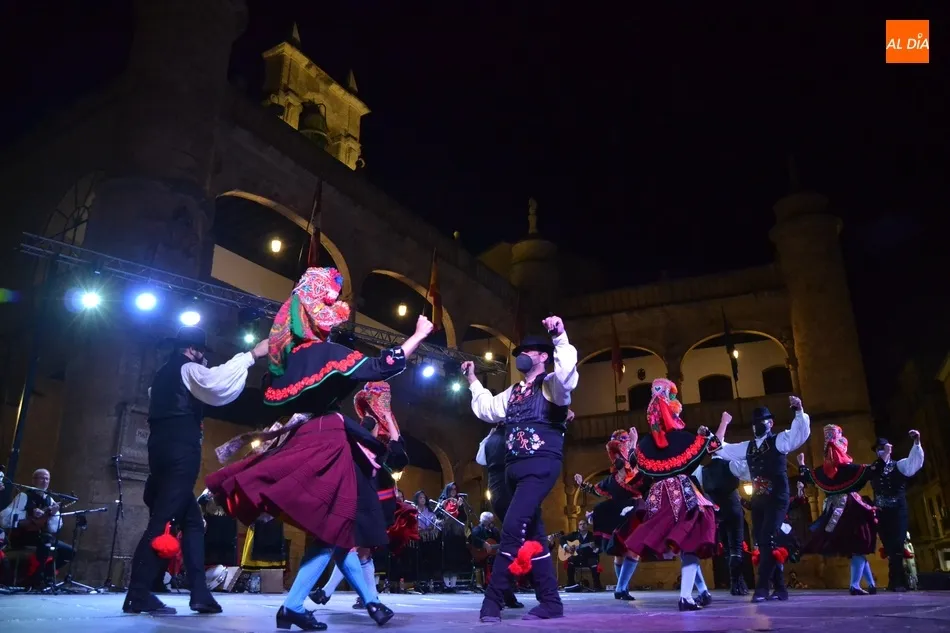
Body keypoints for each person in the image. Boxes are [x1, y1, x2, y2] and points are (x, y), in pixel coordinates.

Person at [206, 266, 433, 631]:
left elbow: (274, 396)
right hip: (328, 443)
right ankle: (298, 605)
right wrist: (419, 335)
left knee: (337, 529)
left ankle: (367, 602)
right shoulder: (328, 354)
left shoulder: (286, 362)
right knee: (335, 529)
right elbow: (382, 366)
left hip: (302, 438)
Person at [122, 326, 268, 615]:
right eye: (201, 351)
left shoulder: (161, 377)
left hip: (160, 449)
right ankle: (137, 593)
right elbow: (216, 381)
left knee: (192, 523)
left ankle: (200, 593)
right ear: (192, 349)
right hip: (180, 450)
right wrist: (252, 355)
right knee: (161, 521)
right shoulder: (188, 368)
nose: (203, 357)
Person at [461, 315, 578, 622]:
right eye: (520, 352)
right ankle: (550, 602)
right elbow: (487, 409)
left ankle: (493, 601)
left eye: (528, 352)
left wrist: (559, 337)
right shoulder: (513, 392)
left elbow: (567, 376)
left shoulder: (552, 386)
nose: (522, 356)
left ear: (543, 357)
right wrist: (473, 381)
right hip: (513, 469)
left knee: (513, 529)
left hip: (540, 466)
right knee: (534, 534)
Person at [310, 381, 415, 610]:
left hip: (379, 501)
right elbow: (393, 452)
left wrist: (387, 417)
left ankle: (341, 594)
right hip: (368, 499)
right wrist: (385, 419)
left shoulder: (382, 441)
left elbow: (400, 456)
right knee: (357, 549)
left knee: (356, 548)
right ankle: (365, 598)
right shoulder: (369, 437)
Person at [623, 378, 718, 611]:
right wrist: (708, 434)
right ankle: (686, 597)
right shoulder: (683, 438)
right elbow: (712, 449)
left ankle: (702, 591)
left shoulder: (645, 445)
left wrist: (633, 445)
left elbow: (635, 472)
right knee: (691, 541)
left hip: (658, 497)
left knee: (685, 543)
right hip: (682, 494)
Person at [714, 397, 811, 602]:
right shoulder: (748, 447)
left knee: (768, 538)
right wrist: (723, 424)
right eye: (755, 422)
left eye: (762, 421)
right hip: (759, 499)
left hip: (777, 498)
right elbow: (720, 448)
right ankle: (780, 588)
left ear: (770, 423)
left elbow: (799, 434)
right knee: (762, 541)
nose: (757, 425)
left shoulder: (779, 440)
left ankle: (762, 588)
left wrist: (798, 410)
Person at [796, 425, 879, 595]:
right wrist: (883, 459)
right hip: (851, 509)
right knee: (859, 547)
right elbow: (872, 470)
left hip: (834, 511)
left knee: (858, 549)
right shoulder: (848, 470)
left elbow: (808, 476)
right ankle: (855, 585)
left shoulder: (823, 472)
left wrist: (802, 465)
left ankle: (871, 584)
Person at [573, 427, 646, 600]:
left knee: (632, 551)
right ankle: (622, 589)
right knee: (619, 553)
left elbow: (637, 478)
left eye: (620, 451)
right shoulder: (612, 479)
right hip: (617, 514)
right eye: (616, 453)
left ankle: (621, 588)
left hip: (633, 511)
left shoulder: (635, 469)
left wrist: (634, 444)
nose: (617, 456)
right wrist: (582, 484)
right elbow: (597, 490)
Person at [692, 412, 752, 595]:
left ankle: (734, 581)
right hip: (733, 508)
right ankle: (738, 583)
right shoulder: (731, 464)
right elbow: (748, 472)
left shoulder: (702, 470)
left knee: (726, 547)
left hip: (716, 512)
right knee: (736, 547)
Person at [867, 431, 924, 592]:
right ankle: (895, 580)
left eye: (882, 448)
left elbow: (914, 463)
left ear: (889, 449)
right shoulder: (874, 468)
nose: (880, 451)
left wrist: (917, 442)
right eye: (878, 449)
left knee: (898, 544)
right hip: (881, 512)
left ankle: (898, 581)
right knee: (889, 546)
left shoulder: (899, 465)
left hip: (898, 511)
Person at [0, 468, 73, 587]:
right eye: (41, 478)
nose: (44, 481)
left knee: (69, 551)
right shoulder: (24, 496)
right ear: (34, 480)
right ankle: (35, 579)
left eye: (47, 479)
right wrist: (28, 513)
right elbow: (5, 518)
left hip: (42, 537)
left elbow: (54, 528)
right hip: (23, 536)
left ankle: (45, 574)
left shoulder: (50, 500)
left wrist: (53, 514)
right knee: (45, 543)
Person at [438, 482, 471, 591]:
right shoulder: (443, 501)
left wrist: (460, 507)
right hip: (447, 533)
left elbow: (463, 518)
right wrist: (442, 506)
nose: (453, 491)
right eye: (451, 489)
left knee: (456, 557)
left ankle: (453, 584)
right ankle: (446, 584)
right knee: (447, 558)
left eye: (455, 489)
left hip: (457, 533)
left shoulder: (459, 501)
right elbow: (438, 515)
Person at [559, 518, 602, 591]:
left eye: (584, 524)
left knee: (594, 563)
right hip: (577, 558)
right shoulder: (575, 535)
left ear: (587, 525)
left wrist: (595, 548)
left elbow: (600, 548)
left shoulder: (593, 536)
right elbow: (562, 539)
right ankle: (571, 584)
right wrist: (567, 547)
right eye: (580, 524)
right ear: (578, 526)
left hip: (589, 558)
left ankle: (597, 585)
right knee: (570, 562)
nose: (582, 526)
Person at [470, 512, 501, 588]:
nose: (493, 521)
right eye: (491, 520)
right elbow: (473, 539)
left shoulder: (495, 530)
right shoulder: (477, 529)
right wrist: (483, 543)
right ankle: (485, 583)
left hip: (494, 555)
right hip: (481, 556)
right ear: (487, 521)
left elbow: (499, 542)